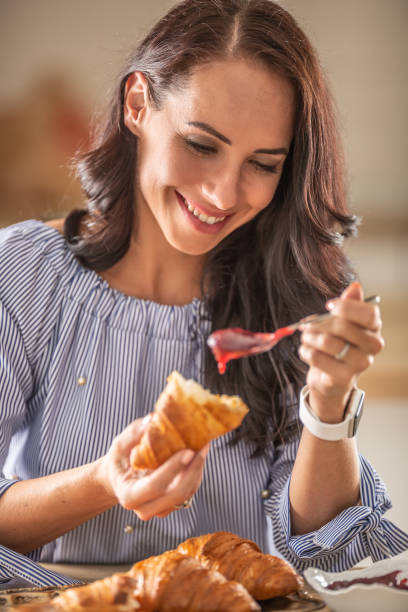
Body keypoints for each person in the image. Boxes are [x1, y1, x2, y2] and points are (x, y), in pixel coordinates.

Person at [0, 0, 407, 590]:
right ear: (138, 105)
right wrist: (107, 482)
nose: (222, 193)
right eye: (201, 144)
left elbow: (326, 549)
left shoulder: (300, 296)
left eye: (262, 164)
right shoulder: (25, 274)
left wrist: (328, 398)